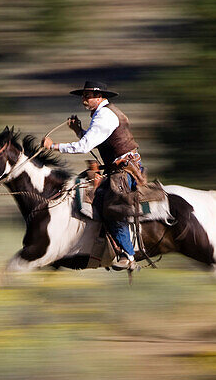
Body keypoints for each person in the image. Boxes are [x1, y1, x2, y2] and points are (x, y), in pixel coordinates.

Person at [42, 80, 142, 270]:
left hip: (125, 170)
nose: (84, 99)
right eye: (84, 95)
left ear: (99, 97)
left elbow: (85, 146)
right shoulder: (104, 113)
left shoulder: (104, 116)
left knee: (112, 206)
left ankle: (127, 255)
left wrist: (53, 146)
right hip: (120, 167)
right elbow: (95, 140)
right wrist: (79, 131)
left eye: (88, 95)